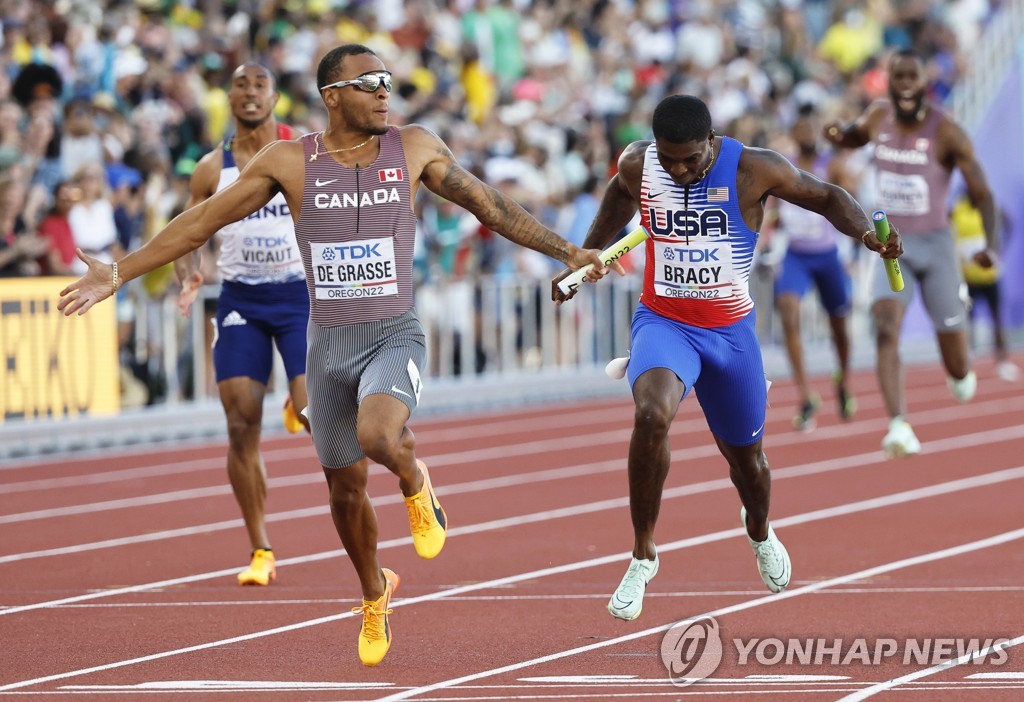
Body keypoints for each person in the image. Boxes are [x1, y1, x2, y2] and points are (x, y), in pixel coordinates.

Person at [59, 43, 612, 667]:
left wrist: (567, 251)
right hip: (327, 344)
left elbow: (490, 205)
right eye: (369, 82)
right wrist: (120, 272)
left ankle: (415, 479)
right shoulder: (289, 162)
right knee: (345, 492)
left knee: (379, 435)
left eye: (388, 81)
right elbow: (202, 222)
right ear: (332, 96)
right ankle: (375, 592)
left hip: (392, 332)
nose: (384, 92)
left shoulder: (417, 147)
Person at [552, 94, 901, 622]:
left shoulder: (753, 169)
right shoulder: (637, 164)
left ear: (710, 143)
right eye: (668, 159)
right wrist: (584, 254)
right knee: (651, 414)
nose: (679, 169)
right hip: (664, 321)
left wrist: (868, 237)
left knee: (748, 464)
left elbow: (827, 196)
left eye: (690, 159)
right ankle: (643, 554)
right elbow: (618, 199)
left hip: (730, 333)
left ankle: (759, 530)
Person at [824, 48, 998, 458]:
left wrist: (989, 246)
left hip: (936, 244)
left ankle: (960, 370)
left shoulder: (948, 131)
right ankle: (899, 425)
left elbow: (983, 194)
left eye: (911, 77)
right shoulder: (878, 116)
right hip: (890, 243)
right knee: (885, 326)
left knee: (956, 363)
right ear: (889, 81)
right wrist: (837, 135)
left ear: (924, 84)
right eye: (897, 76)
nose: (904, 84)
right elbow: (854, 135)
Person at [174, 63, 309, 588]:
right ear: (228, 97)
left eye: (259, 86)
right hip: (240, 301)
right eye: (240, 86)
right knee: (239, 420)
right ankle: (261, 549)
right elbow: (186, 233)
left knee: (313, 413)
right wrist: (189, 277)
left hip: (298, 297)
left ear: (275, 97)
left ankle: (295, 401)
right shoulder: (212, 168)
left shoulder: (302, 152)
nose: (250, 94)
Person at [769, 107, 857, 431]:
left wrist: (855, 246)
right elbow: (773, 208)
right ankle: (806, 395)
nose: (807, 135)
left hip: (827, 255)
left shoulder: (831, 166)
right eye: (801, 129)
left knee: (839, 326)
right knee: (788, 311)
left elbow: (850, 203)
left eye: (811, 129)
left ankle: (844, 379)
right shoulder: (782, 167)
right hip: (796, 255)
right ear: (794, 134)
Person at [950, 194, 1019, 382]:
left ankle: (1002, 362)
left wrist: (997, 252)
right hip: (968, 277)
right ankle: (967, 364)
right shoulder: (957, 209)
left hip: (990, 275)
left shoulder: (990, 206)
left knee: (997, 319)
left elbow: (1008, 223)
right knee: (966, 322)